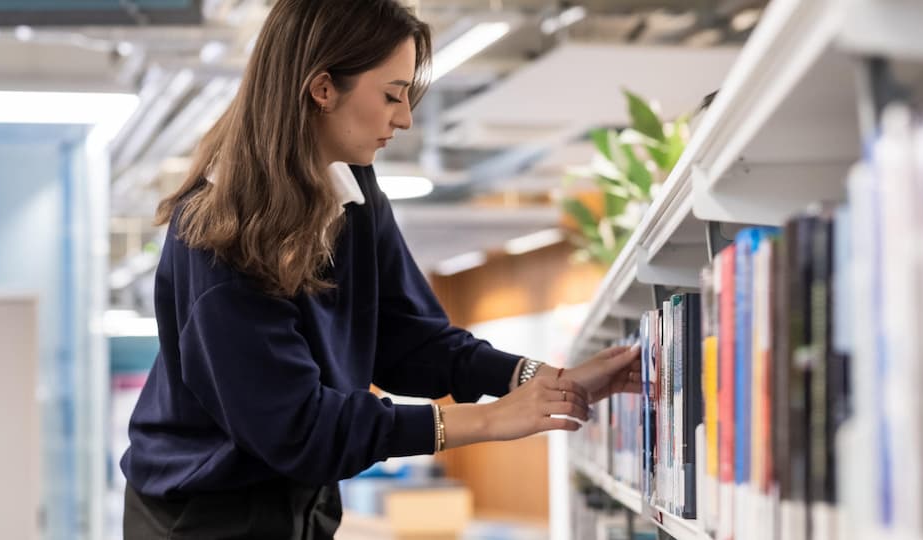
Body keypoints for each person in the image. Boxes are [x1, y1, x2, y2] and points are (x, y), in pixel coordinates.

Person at [119, 0, 641, 538]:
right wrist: (489, 421)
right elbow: (296, 428)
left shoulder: (354, 192)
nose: (406, 117)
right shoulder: (217, 232)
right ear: (322, 88)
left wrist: (541, 381)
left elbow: (408, 337)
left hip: (301, 495)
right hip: (202, 512)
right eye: (392, 95)